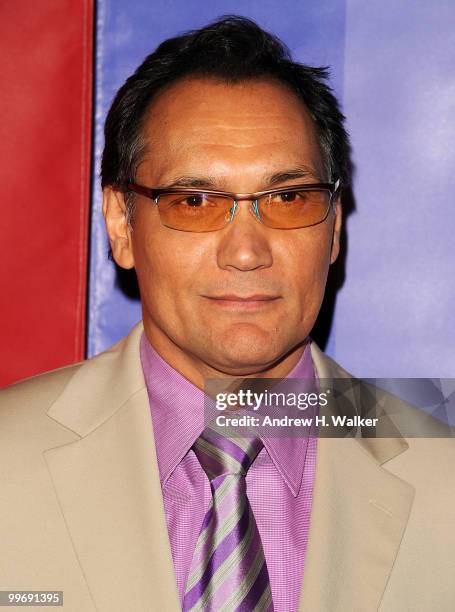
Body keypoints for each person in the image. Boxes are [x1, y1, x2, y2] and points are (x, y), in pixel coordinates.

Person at [0, 16, 453, 612]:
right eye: (194, 202)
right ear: (121, 224)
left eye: (287, 198)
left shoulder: (442, 478)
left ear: (334, 224)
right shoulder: (10, 459)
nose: (246, 251)